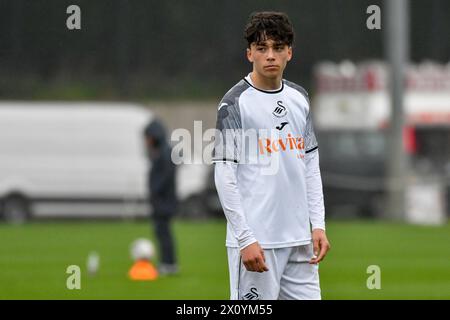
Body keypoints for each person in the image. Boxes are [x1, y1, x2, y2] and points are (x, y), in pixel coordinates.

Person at [212, 11, 330, 300]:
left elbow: (310, 166)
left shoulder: (299, 98)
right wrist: (245, 238)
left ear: (289, 52)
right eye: (262, 48)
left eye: (278, 48)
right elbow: (224, 176)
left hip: (300, 242)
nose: (270, 56)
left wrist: (318, 224)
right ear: (249, 53)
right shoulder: (234, 103)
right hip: (258, 243)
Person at [143, 118, 179, 275]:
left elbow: (164, 177)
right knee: (162, 232)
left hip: (164, 201)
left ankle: (169, 263)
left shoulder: (164, 153)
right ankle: (167, 262)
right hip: (163, 201)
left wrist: (155, 190)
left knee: (163, 232)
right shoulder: (163, 151)